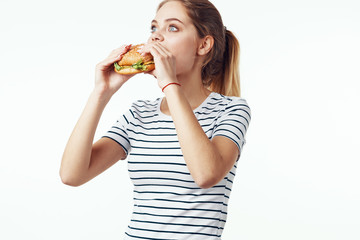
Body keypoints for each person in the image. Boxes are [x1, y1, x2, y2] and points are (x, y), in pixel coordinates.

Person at [60, 0, 251, 239]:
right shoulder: (138, 114)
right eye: (153, 28)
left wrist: (169, 84)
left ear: (203, 45)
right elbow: (71, 175)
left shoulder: (231, 109)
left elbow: (205, 174)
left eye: (172, 28)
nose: (155, 38)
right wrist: (101, 93)